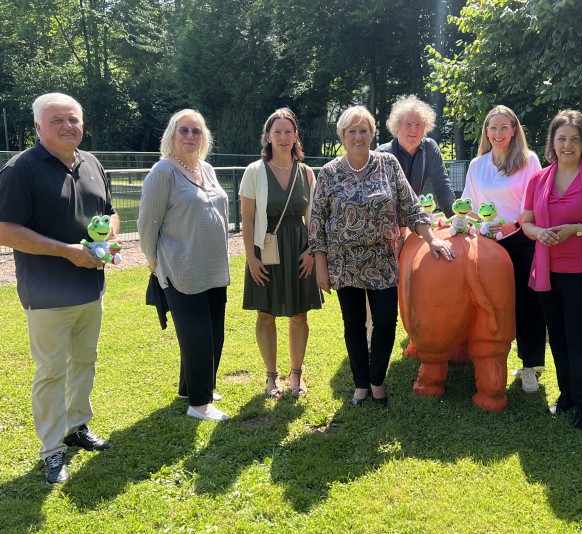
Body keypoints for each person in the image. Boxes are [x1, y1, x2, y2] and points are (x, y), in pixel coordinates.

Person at [0, 93, 116, 484]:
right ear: (38, 127)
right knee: (51, 371)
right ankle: (52, 449)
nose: (68, 126)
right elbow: (5, 230)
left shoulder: (92, 163)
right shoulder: (21, 169)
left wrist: (107, 238)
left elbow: (110, 213)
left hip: (90, 288)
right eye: (57, 120)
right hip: (47, 294)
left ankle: (76, 426)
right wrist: (67, 251)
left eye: (73, 119)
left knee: (84, 361)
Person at [309, 106, 454, 406]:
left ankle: (377, 380)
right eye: (352, 131)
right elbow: (316, 222)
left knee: (386, 322)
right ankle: (361, 385)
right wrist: (321, 265)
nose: (358, 136)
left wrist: (432, 239)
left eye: (364, 131)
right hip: (345, 262)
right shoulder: (329, 173)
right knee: (354, 325)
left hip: (383, 260)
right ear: (342, 136)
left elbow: (411, 206)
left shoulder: (387, 164)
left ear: (373, 134)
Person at [522, 110, 582, 429]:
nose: (567, 145)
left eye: (574, 139)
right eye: (561, 138)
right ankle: (566, 394)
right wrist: (539, 233)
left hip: (580, 272)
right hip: (546, 271)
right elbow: (526, 222)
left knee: (579, 339)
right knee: (558, 337)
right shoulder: (538, 179)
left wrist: (575, 229)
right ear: (552, 142)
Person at [138, 109, 231, 421]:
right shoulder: (163, 171)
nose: (191, 136)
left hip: (213, 267)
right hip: (181, 268)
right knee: (197, 336)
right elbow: (147, 223)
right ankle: (199, 404)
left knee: (213, 333)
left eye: (196, 131)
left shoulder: (206, 168)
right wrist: (154, 262)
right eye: (184, 130)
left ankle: (191, 387)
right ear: (172, 135)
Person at [240, 108, 323, 399]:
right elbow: (247, 219)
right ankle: (271, 377)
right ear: (268, 136)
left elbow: (315, 218)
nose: (283, 137)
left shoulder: (307, 172)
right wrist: (251, 258)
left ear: (296, 135)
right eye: (277, 132)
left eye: (288, 131)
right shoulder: (254, 171)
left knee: (299, 315)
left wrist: (311, 251)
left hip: (300, 250)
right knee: (266, 314)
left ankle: (296, 374)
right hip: (266, 251)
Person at [461, 105, 545, 393]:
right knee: (489, 304)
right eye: (493, 128)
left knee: (528, 303)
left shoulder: (529, 160)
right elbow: (469, 206)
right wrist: (478, 226)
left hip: (522, 240)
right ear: (486, 131)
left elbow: (534, 201)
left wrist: (512, 225)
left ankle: (530, 366)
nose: (498, 133)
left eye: (504, 127)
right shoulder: (477, 165)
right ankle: (487, 357)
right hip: (487, 243)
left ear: (514, 130)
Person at [377, 95, 456, 216]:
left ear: (425, 127)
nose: (414, 130)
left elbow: (442, 186)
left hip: (414, 218)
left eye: (418, 124)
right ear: (397, 126)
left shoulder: (430, 148)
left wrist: (455, 218)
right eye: (408, 124)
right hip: (387, 218)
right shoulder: (382, 154)